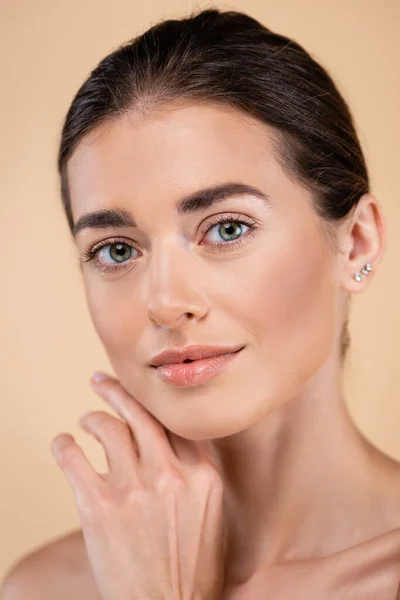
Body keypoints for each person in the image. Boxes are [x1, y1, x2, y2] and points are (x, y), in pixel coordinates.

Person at [2, 6, 400, 600]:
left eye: (227, 229)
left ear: (356, 243)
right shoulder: (43, 587)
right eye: (115, 250)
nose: (163, 301)